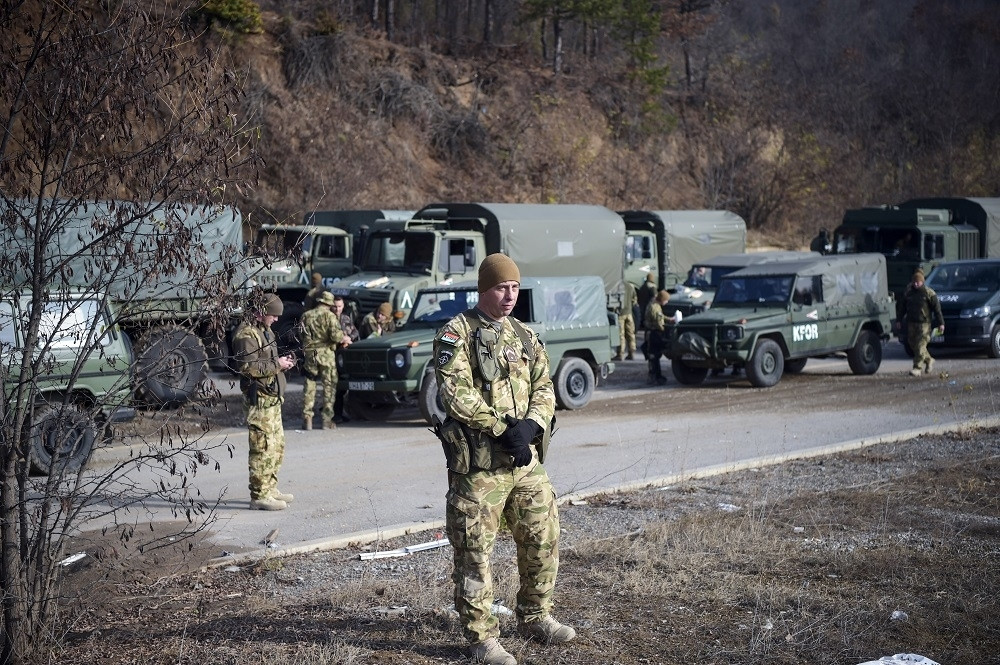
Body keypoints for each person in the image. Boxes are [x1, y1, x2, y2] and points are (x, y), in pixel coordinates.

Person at [433, 253, 575, 665]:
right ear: (483, 289)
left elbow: (544, 386)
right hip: (480, 467)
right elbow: (455, 394)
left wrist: (530, 427)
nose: (510, 295)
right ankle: (482, 639)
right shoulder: (454, 333)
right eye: (501, 287)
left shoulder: (525, 336)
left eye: (514, 287)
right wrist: (502, 429)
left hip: (525, 460)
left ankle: (536, 616)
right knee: (475, 550)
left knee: (542, 537)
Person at [232, 293, 297, 511]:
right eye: (273, 315)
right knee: (262, 448)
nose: (276, 320)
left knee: (276, 446)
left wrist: (281, 363)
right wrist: (277, 364)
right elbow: (248, 368)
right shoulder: (246, 335)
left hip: (271, 399)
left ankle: (270, 487)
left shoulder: (264, 330)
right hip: (259, 400)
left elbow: (266, 361)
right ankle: (259, 495)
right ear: (260, 313)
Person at [300, 291, 351, 430]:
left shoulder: (306, 315)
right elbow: (335, 337)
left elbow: (301, 335)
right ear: (329, 303)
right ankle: (326, 420)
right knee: (329, 387)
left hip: (311, 354)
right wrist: (343, 337)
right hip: (326, 355)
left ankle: (307, 418)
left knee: (309, 386)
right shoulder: (330, 316)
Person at [902, 269, 944, 377]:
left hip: (924, 325)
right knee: (913, 344)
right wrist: (898, 320)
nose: (916, 284)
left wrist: (941, 323)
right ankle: (929, 360)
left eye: (918, 282)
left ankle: (917, 368)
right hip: (911, 323)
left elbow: (937, 310)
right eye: (914, 282)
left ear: (922, 282)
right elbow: (902, 308)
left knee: (921, 345)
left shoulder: (929, 293)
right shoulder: (908, 293)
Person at [332, 296, 360, 424]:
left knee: (342, 387)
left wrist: (349, 338)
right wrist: (341, 339)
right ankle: (335, 414)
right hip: (331, 356)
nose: (337, 309)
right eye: (335, 306)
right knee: (334, 387)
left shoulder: (346, 318)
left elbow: (355, 332)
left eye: (339, 306)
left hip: (344, 357)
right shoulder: (328, 318)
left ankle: (340, 412)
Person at [644, 289, 676, 385]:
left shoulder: (654, 304)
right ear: (662, 300)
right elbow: (659, 322)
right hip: (653, 334)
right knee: (654, 356)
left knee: (653, 356)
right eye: (666, 300)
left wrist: (669, 319)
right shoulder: (655, 308)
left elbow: (660, 317)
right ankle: (655, 377)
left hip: (651, 333)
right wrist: (664, 330)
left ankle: (655, 376)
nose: (667, 302)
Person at [614, 279, 637, 361]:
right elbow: (634, 300)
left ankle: (620, 354)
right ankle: (632, 353)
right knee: (631, 333)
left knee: (621, 335)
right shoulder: (630, 286)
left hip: (620, 314)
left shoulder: (616, 286)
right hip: (629, 312)